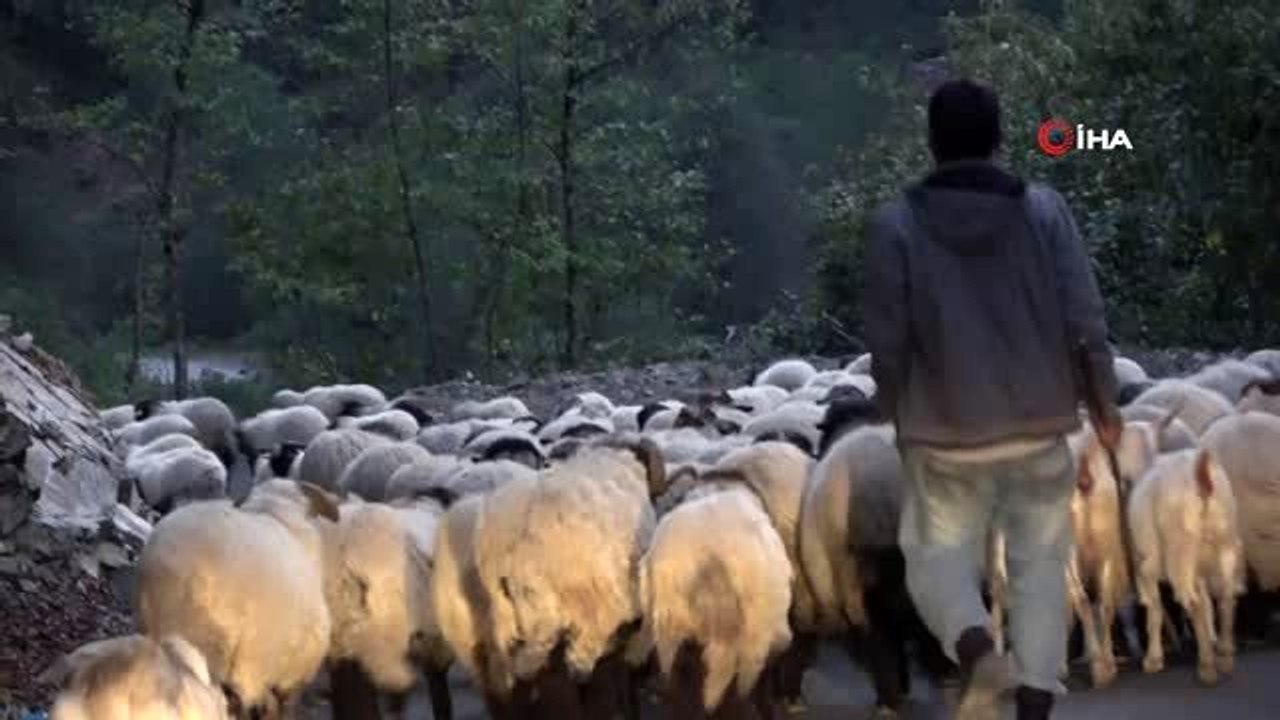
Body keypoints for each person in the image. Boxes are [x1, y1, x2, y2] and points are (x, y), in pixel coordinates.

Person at [861, 78, 1121, 720]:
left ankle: (979, 651)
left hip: (943, 433)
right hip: (1039, 426)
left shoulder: (895, 224)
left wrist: (890, 405)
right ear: (1001, 140)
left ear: (931, 143)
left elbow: (887, 336)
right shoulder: (1045, 211)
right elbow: (1085, 317)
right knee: (1039, 569)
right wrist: (1105, 405)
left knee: (932, 557)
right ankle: (1035, 705)